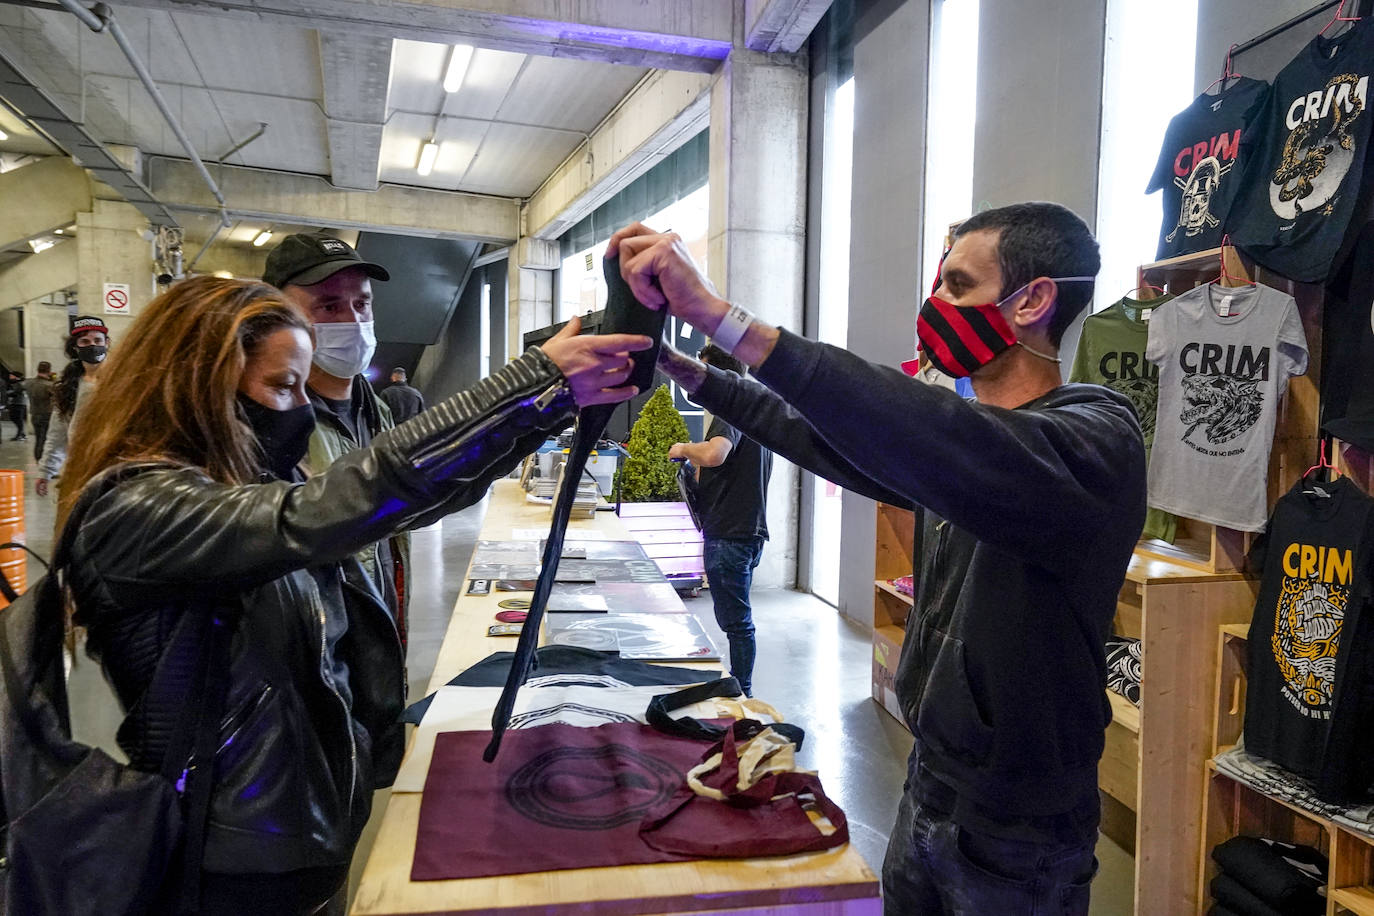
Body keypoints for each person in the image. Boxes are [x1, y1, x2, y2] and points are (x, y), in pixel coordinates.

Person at [609, 202, 1146, 915]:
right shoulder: (962, 450)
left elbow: (936, 431)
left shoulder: (1093, 442)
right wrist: (690, 371)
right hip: (929, 779)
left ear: (1034, 301)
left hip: (1021, 819)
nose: (937, 306)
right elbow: (825, 439)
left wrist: (718, 316)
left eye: (958, 285)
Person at [59, 276, 648, 915]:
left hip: (299, 832)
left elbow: (407, 504)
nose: (300, 411)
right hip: (230, 860)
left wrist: (550, 407)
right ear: (198, 383)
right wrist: (528, 381)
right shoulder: (136, 509)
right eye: (282, 387)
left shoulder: (227, 484)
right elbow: (331, 506)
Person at [263, 234, 410, 642]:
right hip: (318, 653)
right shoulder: (268, 423)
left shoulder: (374, 408)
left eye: (361, 304)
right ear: (277, 314)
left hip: (378, 631)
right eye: (328, 306)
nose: (353, 322)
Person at [666, 344, 772, 697]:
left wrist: (683, 448)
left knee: (737, 624)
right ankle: (741, 687)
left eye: (703, 372)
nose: (696, 383)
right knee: (737, 621)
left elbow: (715, 454)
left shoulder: (732, 408)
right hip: (744, 531)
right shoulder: (753, 411)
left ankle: (741, 693)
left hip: (731, 534)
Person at [36, 316, 109, 497]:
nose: (92, 345)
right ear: (76, 348)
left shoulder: (124, 380)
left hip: (116, 468)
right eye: (85, 341)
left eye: (97, 340)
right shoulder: (68, 387)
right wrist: (46, 471)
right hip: (80, 470)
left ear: (106, 343)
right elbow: (57, 433)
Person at [24, 361, 54, 461]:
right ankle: (43, 463)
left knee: (38, 440)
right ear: (49, 371)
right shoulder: (48, 385)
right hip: (47, 414)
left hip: (34, 413)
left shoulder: (29, 383)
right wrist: (54, 379)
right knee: (45, 441)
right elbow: (58, 395)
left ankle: (38, 461)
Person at [5, 371, 27, 440]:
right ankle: (22, 434)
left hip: (19, 404)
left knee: (17, 419)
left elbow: (16, 392)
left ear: (15, 376)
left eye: (11, 375)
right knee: (15, 418)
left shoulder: (19, 383)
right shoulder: (16, 383)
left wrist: (7, 393)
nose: (10, 377)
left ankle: (20, 435)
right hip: (16, 403)